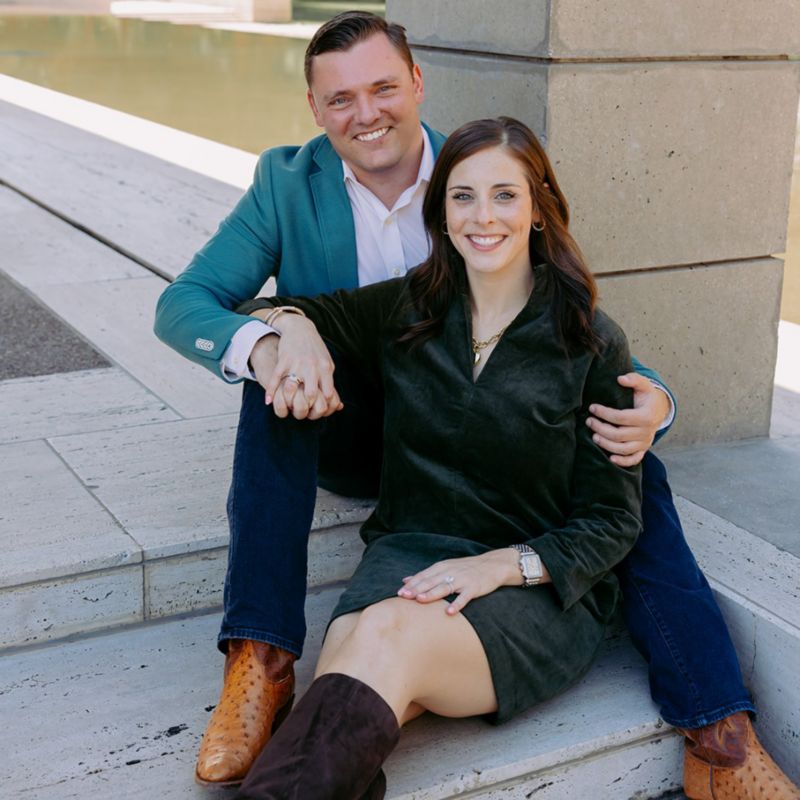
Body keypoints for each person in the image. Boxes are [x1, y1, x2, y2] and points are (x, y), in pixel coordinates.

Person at [153, 11, 797, 798]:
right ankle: (259, 654)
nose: (367, 113)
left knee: (627, 457)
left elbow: (572, 345)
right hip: (373, 432)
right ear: (315, 108)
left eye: (384, 87)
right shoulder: (296, 191)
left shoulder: (481, 174)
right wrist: (282, 330)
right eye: (341, 98)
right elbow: (188, 304)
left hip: (500, 481)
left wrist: (653, 402)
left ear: (417, 83)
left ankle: (718, 732)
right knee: (274, 379)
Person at [233, 114, 644, 798]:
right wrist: (293, 327)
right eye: (463, 196)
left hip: (530, 586)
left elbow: (613, 520)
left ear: (539, 208)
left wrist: (500, 565)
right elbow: (256, 304)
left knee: (379, 641)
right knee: (353, 687)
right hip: (406, 555)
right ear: (441, 213)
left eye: (505, 195)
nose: (483, 217)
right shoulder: (410, 308)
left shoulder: (589, 340)